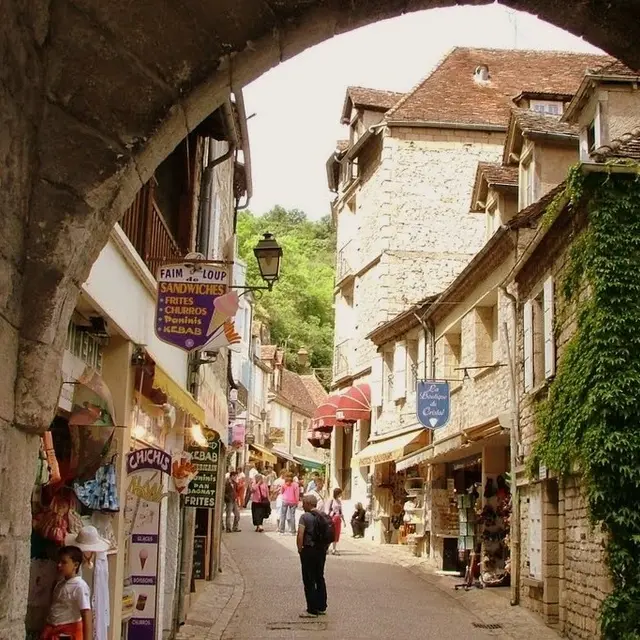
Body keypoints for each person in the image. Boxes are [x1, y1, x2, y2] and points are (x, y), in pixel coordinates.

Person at [41, 546, 93, 640]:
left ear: (76, 565)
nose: (59, 565)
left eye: (64, 562)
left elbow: (86, 613)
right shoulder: (59, 584)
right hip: (53, 631)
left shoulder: (79, 586)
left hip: (68, 633)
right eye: (59, 561)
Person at [296, 494, 328, 618]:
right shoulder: (323, 516)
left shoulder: (305, 517)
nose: (302, 505)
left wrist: (300, 550)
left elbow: (300, 534)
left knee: (309, 579)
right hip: (321, 551)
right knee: (319, 577)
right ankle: (321, 606)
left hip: (309, 550)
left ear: (309, 504)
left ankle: (311, 610)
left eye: (304, 503)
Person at [327, 488, 346, 555]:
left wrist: (344, 521)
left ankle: (334, 549)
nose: (341, 494)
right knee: (331, 533)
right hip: (332, 518)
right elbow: (328, 510)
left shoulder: (339, 501)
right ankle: (327, 548)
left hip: (338, 519)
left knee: (336, 534)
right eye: (340, 493)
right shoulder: (331, 500)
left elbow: (341, 511)